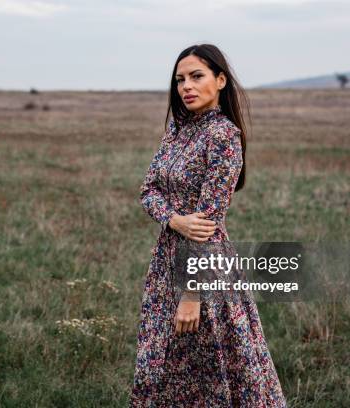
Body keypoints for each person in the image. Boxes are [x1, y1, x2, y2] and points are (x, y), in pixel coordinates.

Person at [130, 44, 287, 407]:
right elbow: (148, 190)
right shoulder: (177, 131)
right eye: (180, 79)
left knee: (213, 369)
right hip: (166, 260)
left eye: (197, 76)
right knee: (162, 365)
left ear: (220, 81)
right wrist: (174, 220)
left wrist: (191, 295)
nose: (187, 86)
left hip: (204, 266)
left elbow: (207, 224)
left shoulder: (223, 136)